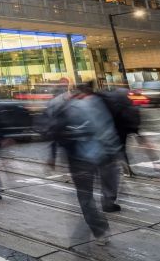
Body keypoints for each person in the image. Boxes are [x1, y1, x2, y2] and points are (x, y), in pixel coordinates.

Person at [47, 81, 121, 245]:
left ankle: (100, 231)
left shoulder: (60, 105)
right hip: (99, 155)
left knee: (85, 198)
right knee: (97, 190)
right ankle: (106, 208)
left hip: (78, 160)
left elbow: (53, 130)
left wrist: (52, 156)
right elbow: (106, 129)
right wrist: (114, 152)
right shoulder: (95, 103)